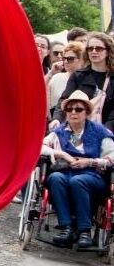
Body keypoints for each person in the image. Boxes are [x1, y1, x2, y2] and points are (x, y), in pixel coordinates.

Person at [41, 90, 114, 248]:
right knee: (55, 178)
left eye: (78, 109)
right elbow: (40, 148)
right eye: (69, 109)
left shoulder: (101, 132)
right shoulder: (59, 132)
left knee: (78, 181)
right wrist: (62, 154)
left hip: (93, 176)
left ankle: (84, 231)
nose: (73, 112)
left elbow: (111, 157)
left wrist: (89, 162)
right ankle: (66, 228)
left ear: (87, 112)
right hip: (66, 173)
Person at [52, 33, 114, 130]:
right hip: (79, 131)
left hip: (108, 132)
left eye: (98, 48)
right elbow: (65, 99)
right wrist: (57, 119)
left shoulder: (112, 77)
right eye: (90, 48)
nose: (94, 51)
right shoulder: (78, 75)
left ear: (108, 51)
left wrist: (105, 132)